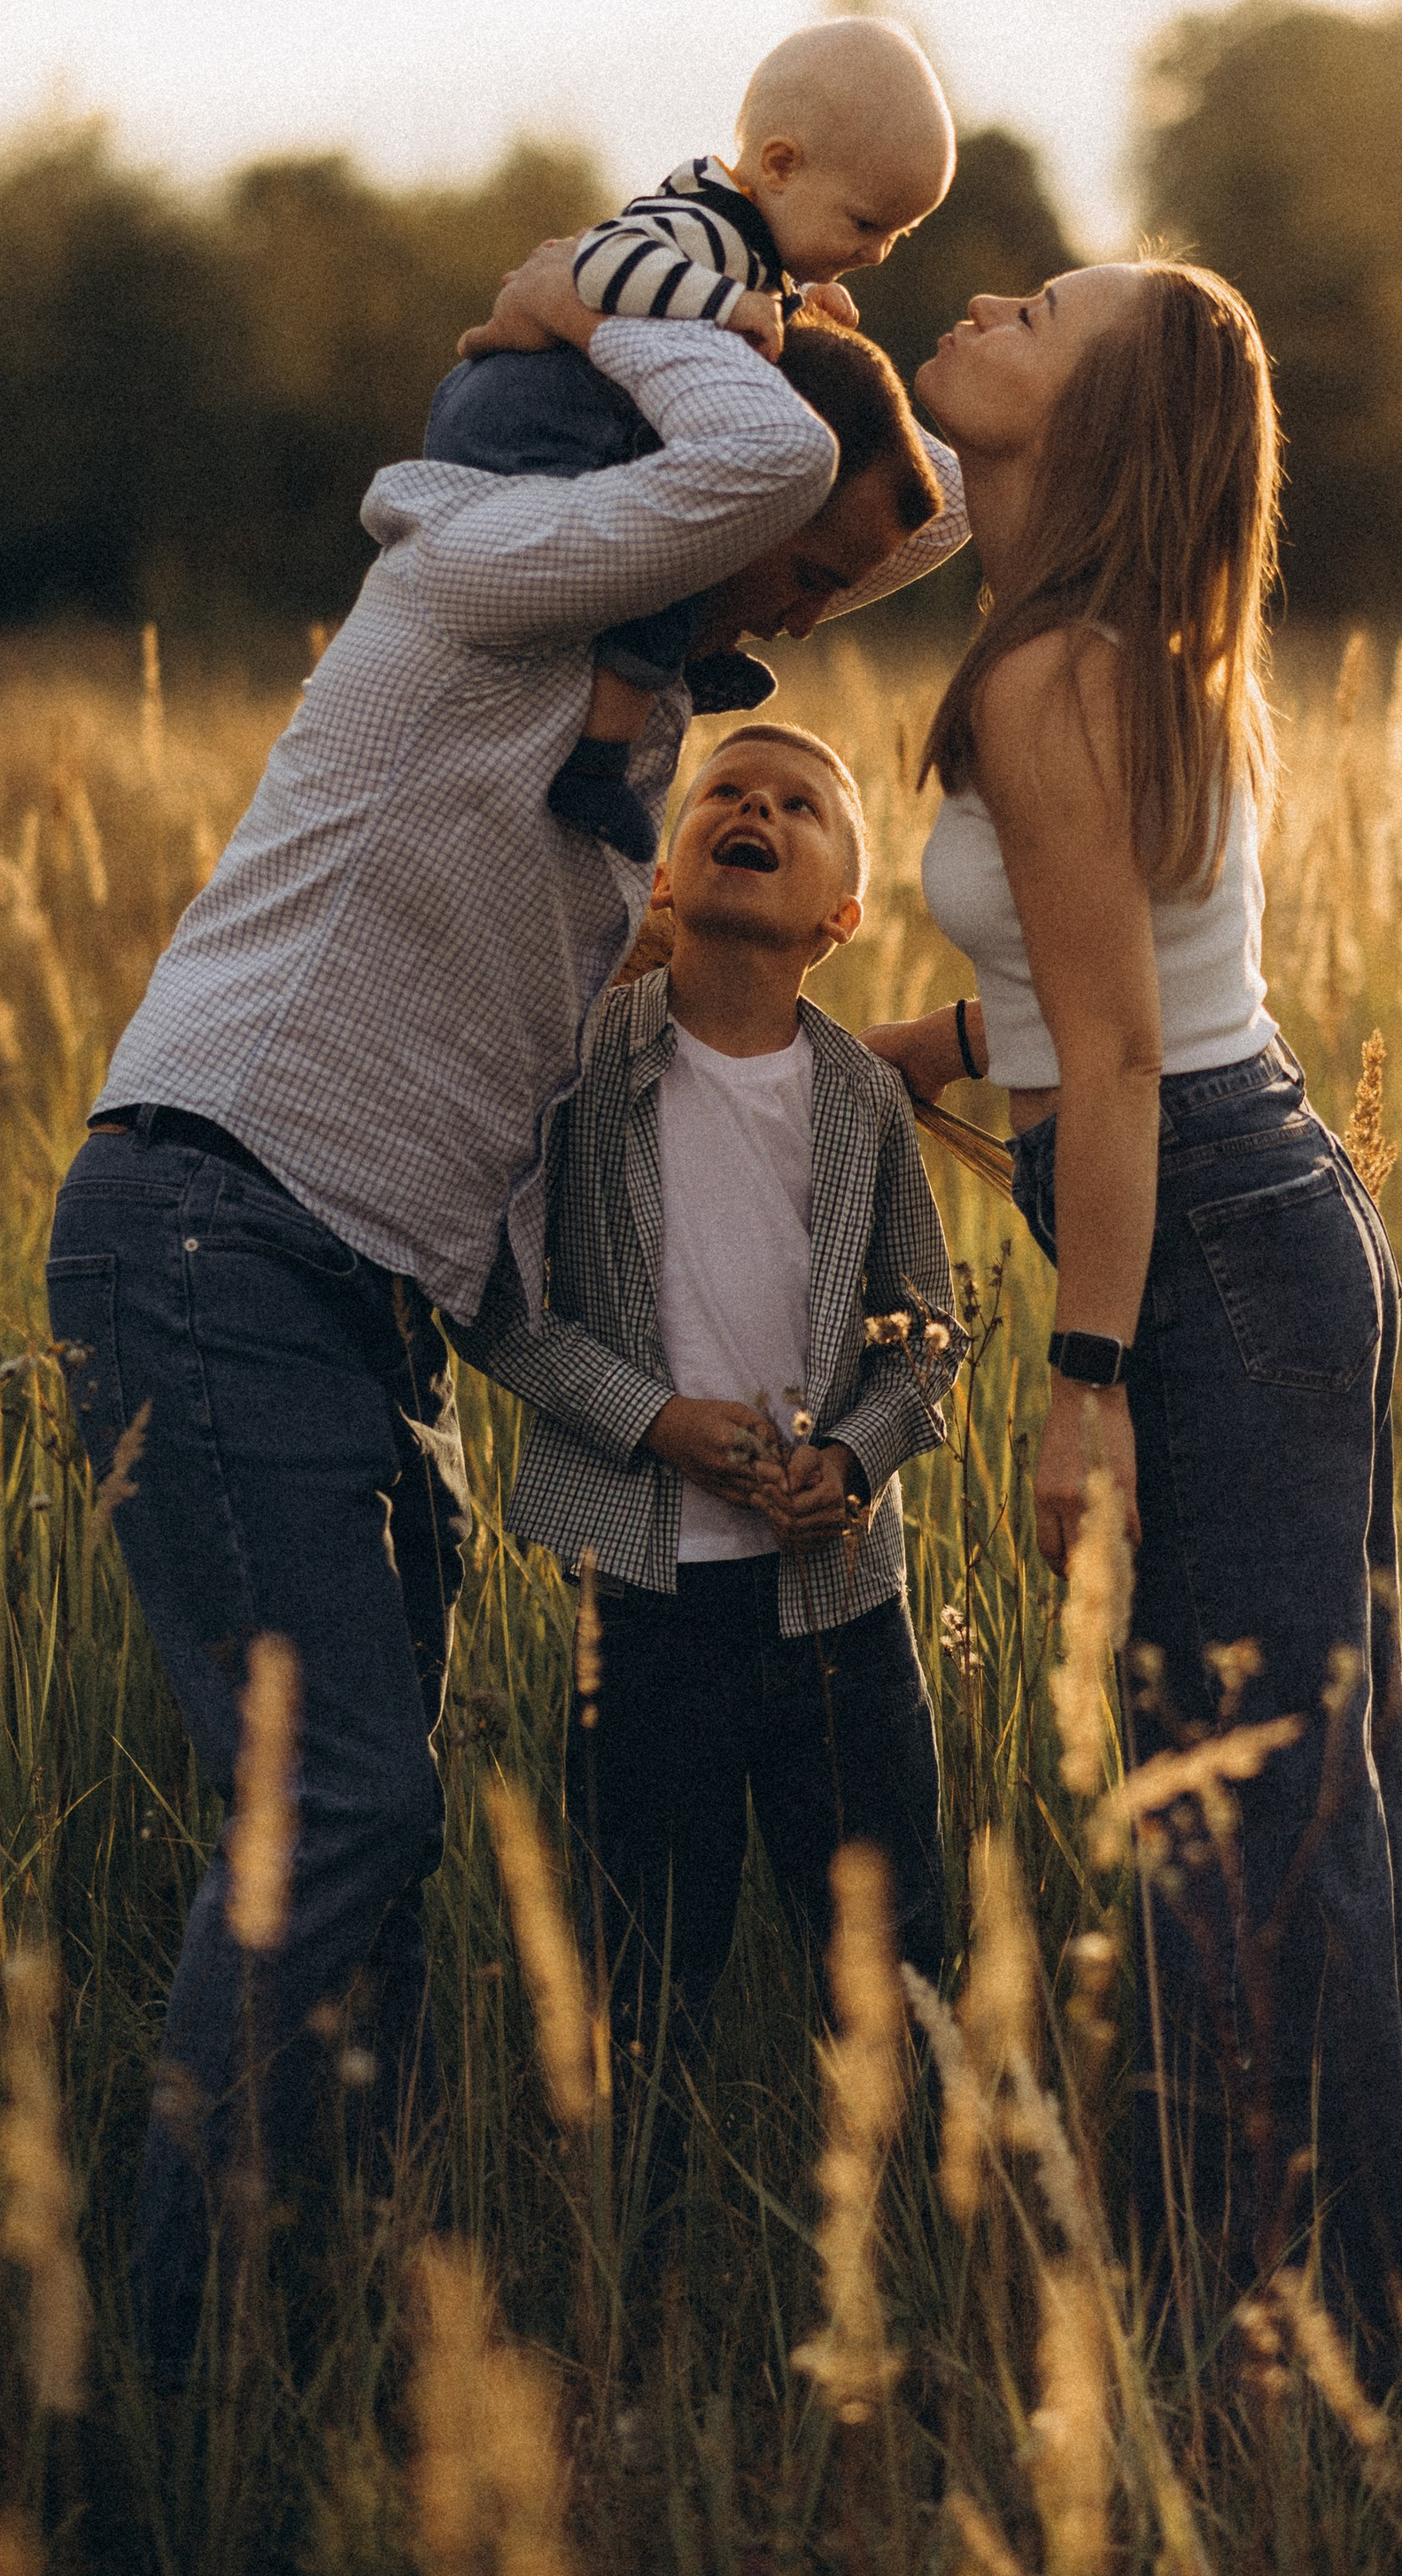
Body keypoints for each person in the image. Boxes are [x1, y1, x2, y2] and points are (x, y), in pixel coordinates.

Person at [45, 275, 964, 2379]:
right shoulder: (496, 578)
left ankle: (344, 2339)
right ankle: (174, 2375)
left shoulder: (629, 711)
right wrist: (645, 280)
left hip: (357, 1293)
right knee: (343, 1804)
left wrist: (830, 361)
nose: (816, 609)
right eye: (800, 564)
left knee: (381, 1819)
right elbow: (761, 466)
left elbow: (874, 515)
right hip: (220, 1220)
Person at [864, 263, 1402, 2362]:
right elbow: (1086, 1001)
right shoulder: (1087, 652)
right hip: (1251, 1203)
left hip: (1198, 1239)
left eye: (1044, 310)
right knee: (1283, 1782)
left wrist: (1080, 1374)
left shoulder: (1054, 677)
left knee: (1249, 1795)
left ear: (1092, 422)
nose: (990, 292)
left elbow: (1109, 1060)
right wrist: (905, 1052)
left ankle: (1296, 2337)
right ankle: (1311, 2299)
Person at [462, 723, 958, 2200]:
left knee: (889, 1945)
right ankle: (639, 2253)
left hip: (840, 1617)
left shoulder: (861, 1100)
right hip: (651, 1603)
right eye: (727, 795)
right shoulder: (590, 1067)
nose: (757, 808)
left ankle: (914, 2226)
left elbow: (926, 1333)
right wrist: (657, 1421)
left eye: (800, 806)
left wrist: (859, 1460)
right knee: (641, 1952)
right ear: (666, 874)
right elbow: (498, 1304)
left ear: (839, 919)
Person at [423, 17, 955, 861]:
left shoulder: (750, 245)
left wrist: (792, 306)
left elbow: (936, 501)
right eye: (864, 224)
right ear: (779, 166)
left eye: (896, 234)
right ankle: (601, 758)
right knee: (674, 553)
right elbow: (597, 270)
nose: (877, 253)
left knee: (683, 542)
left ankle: (666, 666)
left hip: (564, 432)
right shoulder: (701, 226)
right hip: (526, 430)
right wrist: (737, 309)